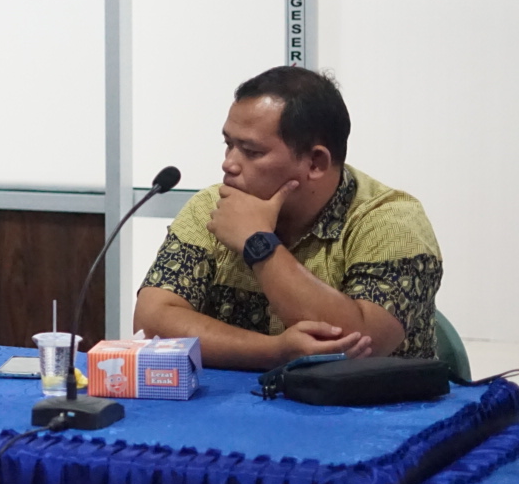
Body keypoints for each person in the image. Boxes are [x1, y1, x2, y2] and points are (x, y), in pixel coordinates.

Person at [133, 66, 441, 369]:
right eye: (229, 144)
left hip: (372, 401)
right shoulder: (212, 207)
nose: (228, 163)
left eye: (251, 151)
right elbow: (151, 322)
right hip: (239, 398)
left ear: (316, 163)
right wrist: (274, 352)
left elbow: (360, 346)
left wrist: (258, 243)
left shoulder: (390, 221)